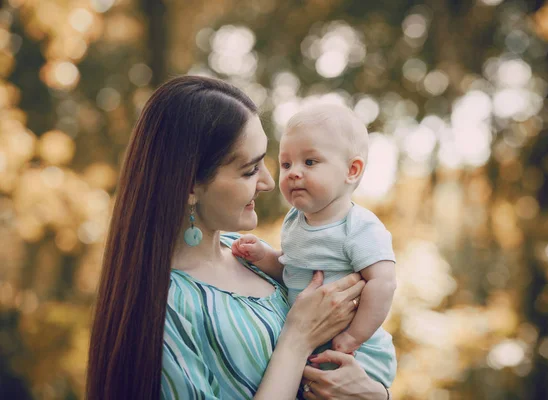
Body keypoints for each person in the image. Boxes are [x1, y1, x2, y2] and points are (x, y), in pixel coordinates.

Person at [86, 76, 393, 400]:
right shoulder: (166, 308)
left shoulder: (247, 254)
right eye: (249, 170)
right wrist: (297, 339)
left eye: (264, 162)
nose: (269, 182)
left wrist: (376, 395)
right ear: (190, 186)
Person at [231, 104, 397, 388]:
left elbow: (383, 284)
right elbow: (291, 271)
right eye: (286, 164)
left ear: (352, 170)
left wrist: (354, 336)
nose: (293, 173)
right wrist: (263, 256)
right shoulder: (295, 221)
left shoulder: (359, 226)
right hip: (313, 350)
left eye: (309, 162)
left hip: (359, 355)